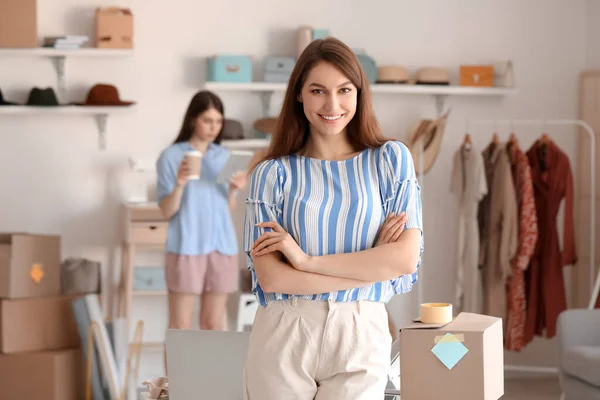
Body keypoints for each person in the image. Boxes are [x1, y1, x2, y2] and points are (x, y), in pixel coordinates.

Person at [242, 37, 423, 399]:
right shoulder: (271, 174)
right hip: (285, 331)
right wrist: (371, 263)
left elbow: (403, 260)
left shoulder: (390, 160)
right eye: (318, 90)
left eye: (344, 90)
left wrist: (305, 261)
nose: (333, 104)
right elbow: (272, 276)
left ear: (359, 93)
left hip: (361, 330)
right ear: (299, 95)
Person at [156, 90, 247, 338]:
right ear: (193, 119)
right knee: (180, 327)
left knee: (214, 325)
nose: (214, 128)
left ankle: (213, 378)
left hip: (221, 246)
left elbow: (227, 209)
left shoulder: (224, 156)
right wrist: (180, 183)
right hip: (186, 245)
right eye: (207, 120)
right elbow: (166, 211)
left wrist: (233, 190)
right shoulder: (171, 156)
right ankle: (175, 379)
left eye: (218, 121)